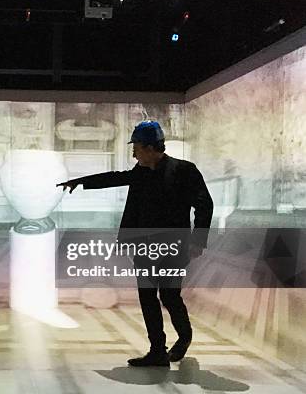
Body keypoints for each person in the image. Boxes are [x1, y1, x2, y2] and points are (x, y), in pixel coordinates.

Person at [57, 121, 213, 366]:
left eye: (137, 147)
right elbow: (116, 178)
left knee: (170, 296)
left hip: (174, 246)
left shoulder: (184, 170)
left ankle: (184, 337)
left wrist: (197, 242)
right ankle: (157, 351)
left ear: (151, 148)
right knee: (148, 297)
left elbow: (205, 205)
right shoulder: (141, 171)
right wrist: (80, 181)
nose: (133, 153)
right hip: (144, 247)